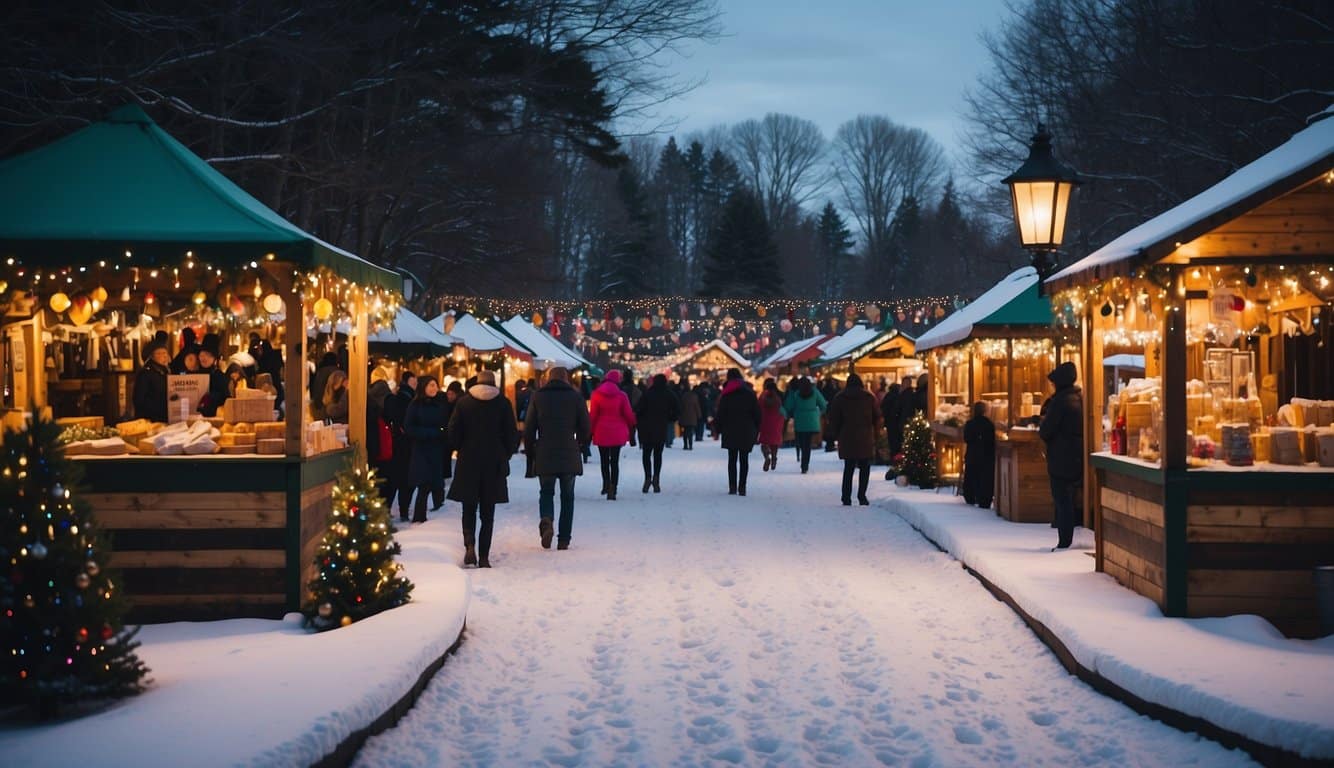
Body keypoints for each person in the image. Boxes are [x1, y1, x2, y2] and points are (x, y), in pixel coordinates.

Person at [448, 370, 519, 568]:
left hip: (468, 461)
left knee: (468, 507)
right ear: (493, 383)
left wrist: (460, 447)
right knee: (488, 512)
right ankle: (484, 555)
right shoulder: (502, 403)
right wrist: (505, 453)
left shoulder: (464, 403)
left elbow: (453, 431)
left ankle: (469, 544)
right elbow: (512, 434)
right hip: (493, 462)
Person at [524, 367, 591, 550]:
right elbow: (586, 426)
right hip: (569, 450)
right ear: (566, 379)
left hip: (545, 451)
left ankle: (547, 518)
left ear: (548, 379)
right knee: (567, 497)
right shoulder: (576, 397)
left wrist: (530, 451)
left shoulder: (538, 396)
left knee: (546, 491)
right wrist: (582, 445)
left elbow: (529, 427)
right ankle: (564, 539)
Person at [1040, 362, 1083, 550]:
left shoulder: (1060, 402)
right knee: (1069, 498)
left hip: (1061, 457)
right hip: (1075, 455)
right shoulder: (1078, 398)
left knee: (1062, 499)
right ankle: (1066, 536)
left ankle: (1064, 541)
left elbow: (1046, 431)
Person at [827, 373, 882, 505]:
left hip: (847, 437)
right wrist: (876, 433)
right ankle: (862, 496)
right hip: (865, 436)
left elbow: (834, 418)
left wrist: (836, 434)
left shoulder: (840, 398)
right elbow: (877, 416)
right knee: (864, 467)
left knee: (849, 467)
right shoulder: (869, 397)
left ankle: (846, 496)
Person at [404, 375, 447, 524]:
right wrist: (428, 433)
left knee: (433, 481)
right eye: (431, 385)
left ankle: (434, 509)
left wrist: (442, 432)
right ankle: (418, 516)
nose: (434, 388)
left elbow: (444, 424)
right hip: (421, 448)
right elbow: (408, 427)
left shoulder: (440, 404)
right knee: (423, 482)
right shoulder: (415, 405)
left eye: (435, 385)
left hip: (436, 448)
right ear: (423, 387)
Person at [589, 369, 636, 500]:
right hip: (617, 432)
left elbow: (593, 415)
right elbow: (628, 414)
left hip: (601, 431)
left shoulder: (596, 394)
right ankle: (613, 488)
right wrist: (633, 423)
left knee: (604, 460)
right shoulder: (622, 395)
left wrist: (590, 431)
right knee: (614, 461)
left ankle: (605, 483)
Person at [714, 368, 760, 496]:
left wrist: (717, 429)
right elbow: (756, 413)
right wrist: (757, 428)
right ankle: (742, 486)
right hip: (746, 429)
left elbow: (721, 413)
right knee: (744, 459)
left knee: (732, 459)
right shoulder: (750, 393)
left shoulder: (726, 394)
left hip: (730, 429)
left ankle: (732, 486)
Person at [634, 373, 679, 493]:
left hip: (647, 428)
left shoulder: (648, 394)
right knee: (658, 455)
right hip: (661, 427)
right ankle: (656, 478)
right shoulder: (669, 394)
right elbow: (677, 410)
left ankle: (647, 477)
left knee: (646, 454)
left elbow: (638, 410)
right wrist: (669, 418)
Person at [383, 371, 417, 521]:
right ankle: (403, 510)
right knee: (404, 480)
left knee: (395, 479)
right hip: (405, 444)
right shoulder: (408, 398)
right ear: (407, 381)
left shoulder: (397, 397)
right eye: (413, 381)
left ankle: (388, 509)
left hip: (397, 444)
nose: (415, 383)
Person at [784, 377, 827, 474]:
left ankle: (801, 457)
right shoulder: (814, 392)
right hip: (812, 421)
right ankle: (805, 465)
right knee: (807, 444)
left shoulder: (796, 393)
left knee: (801, 442)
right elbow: (823, 405)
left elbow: (788, 406)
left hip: (799, 421)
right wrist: (818, 413)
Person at [962, 401, 997, 509]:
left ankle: (971, 497)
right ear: (985, 411)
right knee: (985, 478)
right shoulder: (989, 424)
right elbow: (991, 440)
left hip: (972, 455)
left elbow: (966, 438)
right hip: (986, 456)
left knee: (971, 476)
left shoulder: (970, 424)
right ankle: (984, 500)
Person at [366, 379, 394, 500]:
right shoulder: (387, 403)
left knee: (376, 479)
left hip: (374, 449)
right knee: (385, 479)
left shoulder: (370, 403)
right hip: (383, 450)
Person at [133, 343, 170, 423]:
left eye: (165, 353)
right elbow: (139, 399)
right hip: (151, 419)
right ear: (152, 357)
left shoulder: (165, 371)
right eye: (158, 353)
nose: (163, 356)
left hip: (164, 417)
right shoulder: (145, 373)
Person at [757, 378, 786, 472]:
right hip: (777, 421)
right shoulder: (780, 395)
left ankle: (766, 457)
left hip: (765, 421)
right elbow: (784, 408)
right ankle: (774, 457)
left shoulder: (763, 396)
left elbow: (758, 407)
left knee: (764, 443)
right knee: (775, 442)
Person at [195, 344, 229, 417]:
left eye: (208, 355)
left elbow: (226, 397)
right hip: (194, 415)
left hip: (214, 416)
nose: (204, 358)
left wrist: (210, 397)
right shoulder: (195, 374)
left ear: (214, 358)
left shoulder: (218, 375)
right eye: (201, 355)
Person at [310, 352, 339, 419]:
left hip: (322, 404)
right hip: (333, 405)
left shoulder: (321, 372)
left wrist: (317, 402)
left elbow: (318, 388)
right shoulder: (337, 371)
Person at [620, 369, 642, 446]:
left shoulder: (620, 387)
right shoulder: (635, 388)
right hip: (632, 409)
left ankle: (623, 439)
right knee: (631, 425)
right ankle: (631, 439)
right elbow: (639, 398)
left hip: (621, 410)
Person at [677, 380, 701, 450]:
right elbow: (697, 406)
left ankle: (685, 445)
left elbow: (681, 407)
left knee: (685, 431)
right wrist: (699, 415)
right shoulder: (694, 396)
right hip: (692, 417)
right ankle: (690, 445)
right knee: (690, 431)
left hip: (684, 416)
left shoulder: (683, 397)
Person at [880, 382, 902, 455]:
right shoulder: (898, 396)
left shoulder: (888, 396)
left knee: (891, 440)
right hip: (896, 422)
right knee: (897, 441)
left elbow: (883, 408)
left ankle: (893, 455)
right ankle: (896, 456)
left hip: (889, 422)